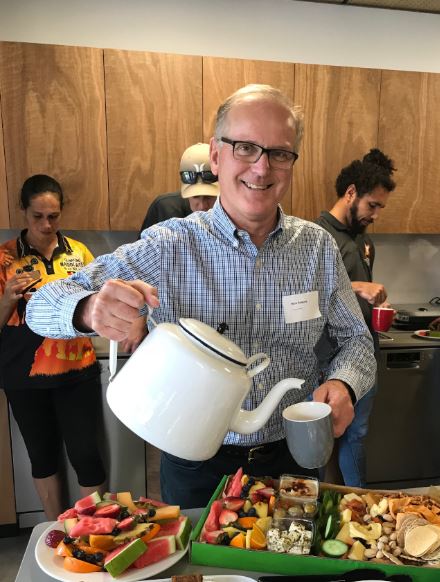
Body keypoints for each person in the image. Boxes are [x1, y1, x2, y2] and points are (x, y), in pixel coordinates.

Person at [26, 85, 376, 508]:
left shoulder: (317, 248)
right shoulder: (168, 246)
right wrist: (86, 308)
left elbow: (356, 339)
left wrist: (345, 383)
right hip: (197, 464)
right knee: (203, 575)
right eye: (245, 147)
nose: (262, 168)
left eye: (280, 153)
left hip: (292, 458)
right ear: (216, 155)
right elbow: (40, 304)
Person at [0, 174, 106, 520]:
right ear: (23, 213)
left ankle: (97, 529)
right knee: (43, 456)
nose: (46, 225)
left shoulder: (79, 253)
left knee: (86, 455)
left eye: (54, 216)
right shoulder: (4, 259)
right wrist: (7, 300)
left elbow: (97, 304)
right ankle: (54, 530)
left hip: (77, 371)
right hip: (23, 375)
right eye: (38, 216)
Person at [315, 149, 396, 487]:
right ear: (351, 193)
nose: (375, 214)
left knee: (357, 434)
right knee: (318, 441)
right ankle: (313, 503)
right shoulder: (315, 237)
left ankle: (357, 503)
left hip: (365, 355)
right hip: (325, 360)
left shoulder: (364, 239)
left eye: (380, 207)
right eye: (371, 205)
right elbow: (300, 299)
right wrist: (356, 286)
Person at [123, 143, 220, 353]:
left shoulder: (233, 212)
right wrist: (139, 319)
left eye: (209, 198)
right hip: (168, 316)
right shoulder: (166, 209)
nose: (202, 205)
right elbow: (141, 270)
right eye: (196, 198)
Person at [138, 142, 219, 235]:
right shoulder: (164, 209)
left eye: (208, 197)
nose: (202, 206)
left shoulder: (232, 214)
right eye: (195, 196)